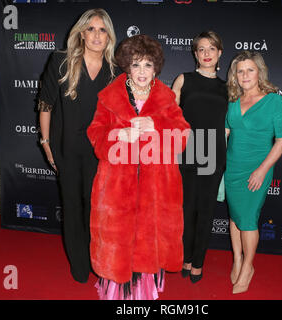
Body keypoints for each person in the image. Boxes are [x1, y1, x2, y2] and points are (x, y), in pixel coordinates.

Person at [87, 34, 190, 300]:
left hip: (156, 187)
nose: (141, 71)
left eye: (147, 65)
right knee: (118, 242)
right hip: (117, 185)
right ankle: (119, 292)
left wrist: (157, 128)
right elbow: (95, 133)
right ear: (126, 66)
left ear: (155, 67)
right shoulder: (109, 97)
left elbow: (183, 135)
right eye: (135, 64)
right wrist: (117, 136)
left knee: (148, 242)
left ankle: (144, 292)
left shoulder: (166, 98)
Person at [38, 8, 118, 283]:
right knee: (72, 208)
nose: (97, 35)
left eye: (102, 29)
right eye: (92, 29)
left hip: (102, 153)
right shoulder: (61, 61)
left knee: (97, 210)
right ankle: (79, 265)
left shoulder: (115, 70)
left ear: (109, 36)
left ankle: (98, 261)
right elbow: (46, 103)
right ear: (82, 33)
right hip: (67, 149)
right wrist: (46, 142)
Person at [225, 50, 282, 294]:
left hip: (257, 168)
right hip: (232, 167)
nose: (245, 75)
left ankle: (248, 267)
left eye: (250, 69)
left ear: (259, 72)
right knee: (234, 217)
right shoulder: (233, 99)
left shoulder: (274, 100)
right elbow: (226, 132)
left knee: (248, 219)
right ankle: (238, 260)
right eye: (240, 71)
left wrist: (262, 170)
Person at [172, 31, 228, 283]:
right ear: (195, 54)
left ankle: (198, 264)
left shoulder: (227, 88)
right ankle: (185, 258)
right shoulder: (184, 80)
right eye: (201, 49)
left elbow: (227, 127)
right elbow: (171, 118)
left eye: (211, 49)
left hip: (214, 153)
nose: (206, 53)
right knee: (186, 211)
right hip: (187, 152)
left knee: (205, 212)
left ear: (219, 53)